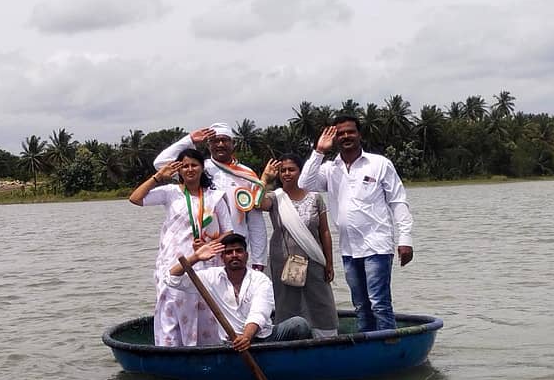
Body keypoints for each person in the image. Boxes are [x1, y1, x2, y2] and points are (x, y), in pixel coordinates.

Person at [298, 115, 414, 332]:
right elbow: (304, 183)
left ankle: (389, 344)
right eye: (340, 133)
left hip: (377, 245)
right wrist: (319, 151)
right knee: (360, 305)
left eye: (350, 131)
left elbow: (398, 201)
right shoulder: (330, 169)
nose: (345, 136)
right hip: (349, 248)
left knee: (379, 303)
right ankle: (367, 348)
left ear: (359, 134)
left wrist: (405, 239)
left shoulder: (379, 164)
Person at [129, 148, 234, 346]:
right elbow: (135, 198)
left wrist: (209, 245)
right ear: (179, 170)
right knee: (171, 307)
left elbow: (228, 232)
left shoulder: (216, 197)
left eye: (194, 165)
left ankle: (209, 350)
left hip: (207, 263)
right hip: (173, 263)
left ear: (202, 168)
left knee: (207, 311)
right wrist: (158, 177)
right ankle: (170, 351)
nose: (189, 169)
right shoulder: (170, 193)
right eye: (184, 166)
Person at [155, 123, 273, 271]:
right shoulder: (198, 168)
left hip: (235, 252)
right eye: (215, 141)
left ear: (233, 143)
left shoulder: (247, 175)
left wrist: (259, 259)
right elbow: (160, 164)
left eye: (225, 140)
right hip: (202, 250)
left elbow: (256, 221)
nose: (220, 144)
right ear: (208, 145)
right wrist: (190, 140)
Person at [167, 233, 311, 348]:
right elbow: (172, 279)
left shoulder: (260, 279)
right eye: (229, 252)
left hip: (264, 338)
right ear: (222, 257)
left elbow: (259, 313)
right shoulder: (211, 277)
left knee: (299, 324)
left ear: (246, 255)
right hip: (232, 342)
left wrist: (246, 337)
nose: (234, 255)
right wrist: (195, 257)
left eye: (239, 251)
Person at [261, 153, 338, 338]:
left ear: (300, 171)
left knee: (321, 299)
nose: (287, 173)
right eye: (283, 170)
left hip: (313, 258)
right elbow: (256, 204)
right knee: (287, 301)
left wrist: (329, 262)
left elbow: (325, 232)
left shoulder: (315, 198)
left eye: (291, 169)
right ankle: (289, 337)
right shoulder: (275, 197)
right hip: (283, 260)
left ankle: (326, 337)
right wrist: (264, 179)